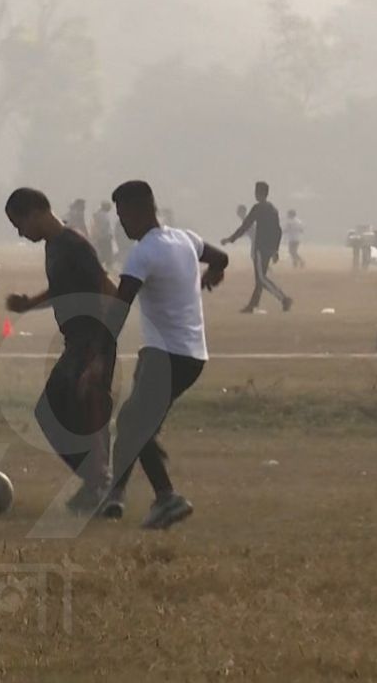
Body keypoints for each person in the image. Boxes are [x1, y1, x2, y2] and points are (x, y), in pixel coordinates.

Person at [101, 180, 229, 529]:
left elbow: (119, 308)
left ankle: (167, 498)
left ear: (139, 210)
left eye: (122, 215)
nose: (120, 224)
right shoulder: (185, 239)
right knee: (137, 424)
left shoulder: (143, 253)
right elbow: (221, 257)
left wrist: (99, 352)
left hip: (165, 355)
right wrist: (212, 274)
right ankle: (114, 495)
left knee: (134, 424)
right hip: (192, 355)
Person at [4, 188, 116, 513]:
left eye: (20, 224)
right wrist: (29, 304)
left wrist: (99, 354)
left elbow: (108, 292)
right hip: (76, 343)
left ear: (36, 213)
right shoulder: (54, 246)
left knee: (84, 412)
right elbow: (62, 289)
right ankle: (97, 480)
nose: (21, 234)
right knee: (54, 413)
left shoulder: (75, 245)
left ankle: (100, 483)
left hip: (92, 341)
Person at [224, 181, 292, 313]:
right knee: (259, 278)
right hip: (269, 248)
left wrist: (231, 239)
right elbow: (278, 231)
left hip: (260, 248)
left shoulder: (258, 208)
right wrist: (275, 250)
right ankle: (252, 305)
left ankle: (284, 298)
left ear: (258, 194)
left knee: (261, 278)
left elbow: (246, 225)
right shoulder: (273, 209)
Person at [92, 201, 115, 269]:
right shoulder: (103, 215)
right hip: (105, 237)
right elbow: (104, 226)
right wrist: (108, 234)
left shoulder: (98, 214)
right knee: (106, 253)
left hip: (101, 237)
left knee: (102, 252)